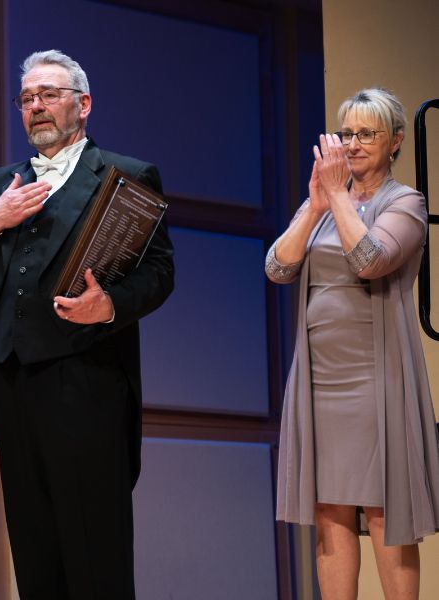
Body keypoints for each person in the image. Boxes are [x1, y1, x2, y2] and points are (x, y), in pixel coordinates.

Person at [0, 50, 174, 599]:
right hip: (10, 378)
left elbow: (159, 274)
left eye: (50, 95)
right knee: (34, 540)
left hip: (85, 379)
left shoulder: (126, 175)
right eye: (27, 98)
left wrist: (108, 305)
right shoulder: (1, 181)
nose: (36, 107)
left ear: (83, 105)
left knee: (94, 545)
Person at [268, 87, 439, 599]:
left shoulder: (406, 202)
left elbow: (369, 260)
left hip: (374, 377)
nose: (354, 143)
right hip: (322, 377)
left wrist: (338, 197)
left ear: (396, 143)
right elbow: (278, 268)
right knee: (329, 509)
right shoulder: (321, 202)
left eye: (367, 134)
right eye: (347, 133)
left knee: (383, 509)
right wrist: (316, 203)